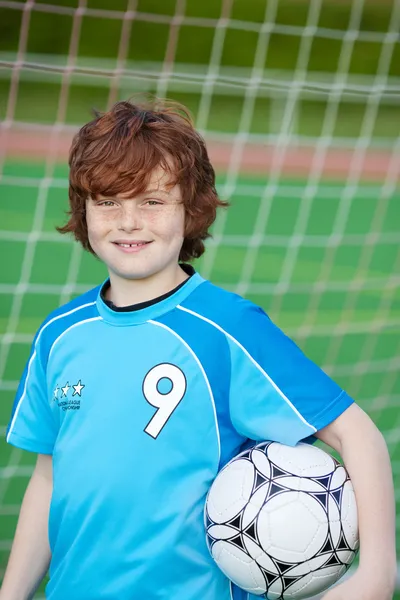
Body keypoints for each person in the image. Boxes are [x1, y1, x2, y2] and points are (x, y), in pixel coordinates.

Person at [1, 99, 396, 600]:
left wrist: (378, 572)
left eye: (152, 201)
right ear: (84, 212)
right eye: (108, 202)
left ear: (191, 209)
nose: (128, 222)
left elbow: (358, 434)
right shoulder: (60, 334)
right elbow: (50, 478)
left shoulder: (227, 327)